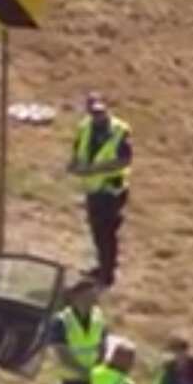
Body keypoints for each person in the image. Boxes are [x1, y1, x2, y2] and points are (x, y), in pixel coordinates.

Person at [65, 91, 132, 286]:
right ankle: (103, 265)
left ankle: (107, 273)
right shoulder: (85, 128)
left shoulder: (120, 130)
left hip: (112, 189)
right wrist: (74, 166)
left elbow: (124, 160)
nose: (98, 116)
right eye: (94, 113)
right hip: (94, 189)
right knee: (97, 231)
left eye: (101, 112)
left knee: (106, 232)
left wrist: (93, 169)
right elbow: (78, 151)